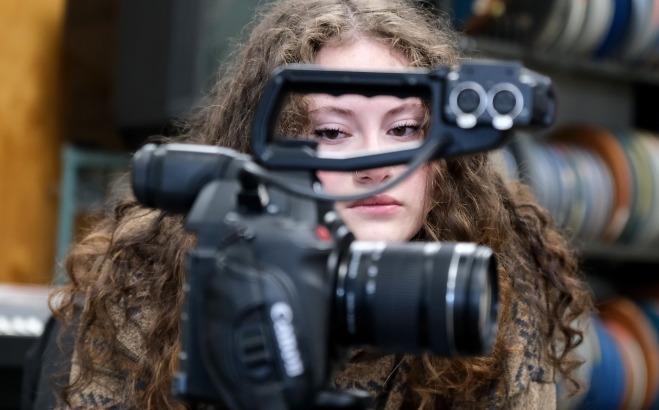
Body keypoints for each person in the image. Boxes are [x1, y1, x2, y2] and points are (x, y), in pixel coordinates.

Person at [45, 0, 593, 408]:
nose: (378, 165)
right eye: (332, 133)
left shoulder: (491, 279)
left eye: (405, 129)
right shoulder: (149, 274)